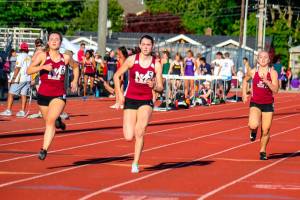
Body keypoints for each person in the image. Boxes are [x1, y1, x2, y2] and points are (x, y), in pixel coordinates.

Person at [113, 35, 163, 173]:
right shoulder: (131, 60)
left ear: (152, 46)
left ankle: (135, 163)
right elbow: (116, 76)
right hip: (131, 99)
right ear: (140, 46)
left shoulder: (156, 64)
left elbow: (161, 87)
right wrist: (119, 95)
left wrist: (154, 86)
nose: (146, 47)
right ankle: (134, 140)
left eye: (149, 44)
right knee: (129, 136)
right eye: (144, 44)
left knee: (140, 131)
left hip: (146, 100)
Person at [27, 32, 79, 160]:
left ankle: (43, 149)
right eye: (52, 39)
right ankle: (59, 121)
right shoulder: (42, 56)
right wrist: (43, 66)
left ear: (60, 43)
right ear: (48, 43)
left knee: (49, 122)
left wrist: (74, 81)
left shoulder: (65, 58)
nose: (54, 41)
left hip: (58, 95)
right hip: (43, 94)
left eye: (57, 39)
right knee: (49, 121)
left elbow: (76, 67)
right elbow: (29, 70)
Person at [242, 51, 279, 160]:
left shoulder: (273, 73)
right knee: (253, 125)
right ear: (257, 60)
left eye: (265, 57)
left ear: (269, 60)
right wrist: (244, 93)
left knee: (266, 130)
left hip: (268, 104)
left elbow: (276, 90)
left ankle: (262, 150)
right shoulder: (253, 71)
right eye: (260, 57)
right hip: (255, 102)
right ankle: (253, 131)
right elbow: (245, 80)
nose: (262, 59)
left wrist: (267, 82)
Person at [0, 43, 31, 117]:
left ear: (21, 49)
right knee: (23, 95)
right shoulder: (29, 57)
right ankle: (22, 111)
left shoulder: (20, 56)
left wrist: (13, 78)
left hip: (20, 78)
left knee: (11, 94)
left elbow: (18, 68)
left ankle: (8, 110)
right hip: (27, 78)